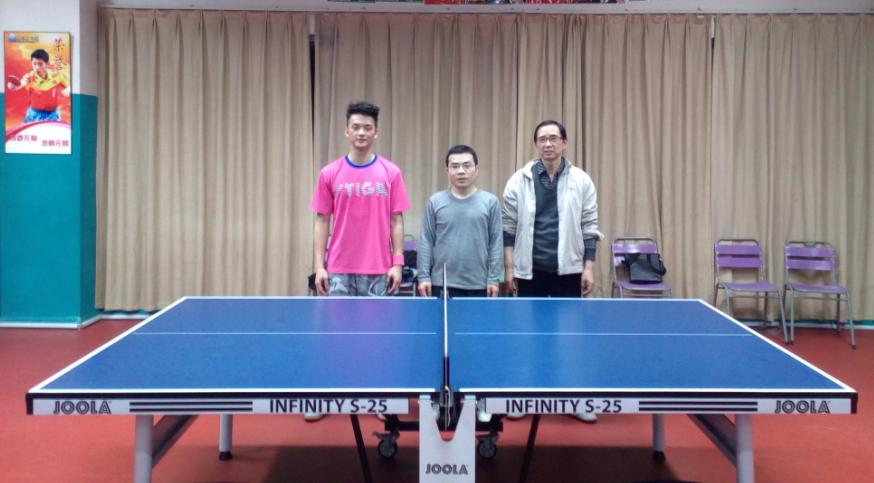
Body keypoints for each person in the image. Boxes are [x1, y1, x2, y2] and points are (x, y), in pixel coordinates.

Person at [309, 100, 411, 420]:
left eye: (368, 127)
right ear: (346, 131)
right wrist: (319, 266)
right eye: (356, 127)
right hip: (338, 268)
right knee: (336, 337)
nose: (361, 132)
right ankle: (327, 396)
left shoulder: (390, 172)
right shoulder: (330, 173)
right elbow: (321, 220)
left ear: (376, 132)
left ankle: (379, 397)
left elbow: (396, 220)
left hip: (378, 269)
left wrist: (397, 262)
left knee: (376, 339)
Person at [501, 120, 604, 423]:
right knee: (527, 336)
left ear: (564, 142)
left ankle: (575, 398)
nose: (548, 143)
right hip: (529, 271)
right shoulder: (518, 181)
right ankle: (523, 397)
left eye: (554, 138)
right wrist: (509, 268)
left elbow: (589, 226)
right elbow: (508, 228)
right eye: (542, 139)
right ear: (536, 144)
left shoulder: (581, 180)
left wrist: (588, 268)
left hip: (568, 271)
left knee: (569, 337)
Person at [417, 145, 503, 423]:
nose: (461, 171)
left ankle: (478, 398)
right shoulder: (435, 202)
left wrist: (493, 278)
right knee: (439, 348)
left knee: (476, 346)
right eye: (455, 166)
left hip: (477, 286)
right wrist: (423, 275)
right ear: (447, 170)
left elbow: (496, 243)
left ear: (476, 169)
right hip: (442, 286)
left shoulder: (490, 202)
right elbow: (426, 240)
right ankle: (435, 398)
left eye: (466, 165)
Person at [6, 49, 70, 124]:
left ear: (47, 64)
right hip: (33, 114)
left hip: (52, 115)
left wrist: (68, 89)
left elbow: (69, 87)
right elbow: (21, 84)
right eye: (34, 64)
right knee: (26, 130)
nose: (37, 67)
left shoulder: (57, 76)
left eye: (40, 64)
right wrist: (13, 86)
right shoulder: (29, 77)